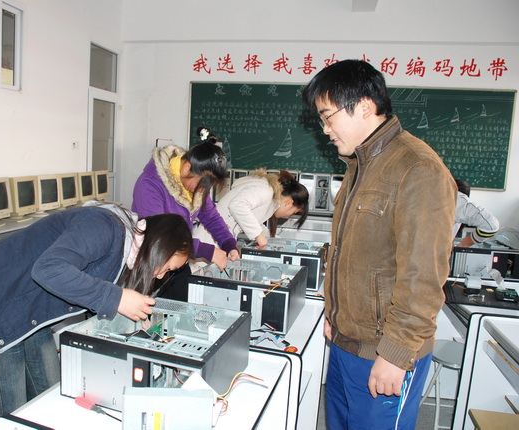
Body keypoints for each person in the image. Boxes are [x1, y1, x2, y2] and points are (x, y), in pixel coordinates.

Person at [302, 59, 456, 430]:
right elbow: (350, 254)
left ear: (365, 106)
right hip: (347, 343)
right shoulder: (360, 165)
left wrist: (396, 353)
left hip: (384, 353)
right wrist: (334, 313)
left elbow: (423, 276)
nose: (325, 129)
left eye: (328, 117)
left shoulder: (418, 168)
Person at [0, 202, 193, 430]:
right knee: (8, 417)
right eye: (167, 267)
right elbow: (49, 269)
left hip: (31, 314)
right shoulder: (105, 225)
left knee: (49, 402)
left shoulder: (126, 252)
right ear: (159, 246)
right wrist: (117, 298)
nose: (161, 276)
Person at [132, 127, 239, 272]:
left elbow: (211, 217)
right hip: (154, 262)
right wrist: (207, 250)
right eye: (202, 185)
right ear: (187, 167)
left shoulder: (194, 186)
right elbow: (158, 234)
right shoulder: (150, 185)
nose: (202, 191)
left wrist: (228, 244)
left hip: (180, 258)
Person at [193, 168, 309, 249]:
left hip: (220, 241)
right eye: (293, 212)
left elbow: (254, 221)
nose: (288, 216)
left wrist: (275, 240)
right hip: (209, 240)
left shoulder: (269, 196)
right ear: (289, 202)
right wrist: (259, 236)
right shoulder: (265, 190)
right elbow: (238, 205)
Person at [453, 178, 499, 247]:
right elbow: (491, 226)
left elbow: (491, 225)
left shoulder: (458, 200)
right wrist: (464, 244)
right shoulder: (459, 201)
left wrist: (463, 244)